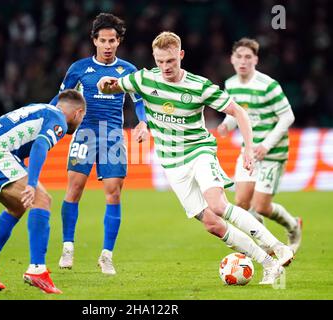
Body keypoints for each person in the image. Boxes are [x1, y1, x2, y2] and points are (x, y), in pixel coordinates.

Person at [97, 31, 294, 284]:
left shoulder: (199, 86)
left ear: (180, 55)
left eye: (170, 61)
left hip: (199, 151)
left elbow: (239, 112)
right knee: (212, 224)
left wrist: (248, 149)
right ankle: (268, 264)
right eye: (160, 61)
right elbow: (113, 86)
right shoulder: (144, 79)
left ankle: (278, 247)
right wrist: (104, 83)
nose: (165, 67)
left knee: (218, 205)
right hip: (171, 163)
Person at [0, 89, 86, 294]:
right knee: (41, 199)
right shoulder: (58, 120)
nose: (80, 122)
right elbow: (39, 147)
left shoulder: (40, 108)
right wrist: (32, 182)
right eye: (82, 118)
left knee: (16, 206)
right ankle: (37, 269)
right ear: (78, 113)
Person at [49, 13, 148, 275]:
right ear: (94, 41)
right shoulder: (79, 69)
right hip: (85, 133)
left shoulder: (127, 70)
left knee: (114, 192)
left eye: (112, 41)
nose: (107, 45)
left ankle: (106, 255)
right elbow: (61, 99)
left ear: (119, 42)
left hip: (113, 135)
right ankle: (67, 247)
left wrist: (143, 122)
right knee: (75, 189)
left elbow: (139, 101)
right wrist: (44, 117)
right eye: (102, 40)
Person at [217, 38, 302, 254]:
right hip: (249, 152)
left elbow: (287, 117)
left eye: (248, 57)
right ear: (232, 59)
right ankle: (268, 245)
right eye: (239, 56)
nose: (243, 61)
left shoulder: (268, 86)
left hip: (273, 153)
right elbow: (237, 115)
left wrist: (266, 145)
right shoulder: (231, 84)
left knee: (262, 206)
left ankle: (293, 226)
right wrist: (226, 125)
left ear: (256, 59)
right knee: (242, 203)